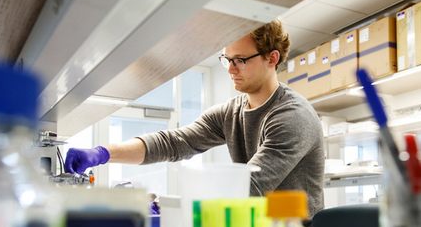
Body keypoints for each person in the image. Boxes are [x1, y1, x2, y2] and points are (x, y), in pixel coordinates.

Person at [64, 19, 325, 216]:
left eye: (241, 60)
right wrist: (102, 153)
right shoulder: (230, 112)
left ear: (272, 58)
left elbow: (248, 186)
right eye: (227, 59)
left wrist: (168, 207)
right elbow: (173, 143)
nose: (231, 69)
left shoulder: (292, 116)